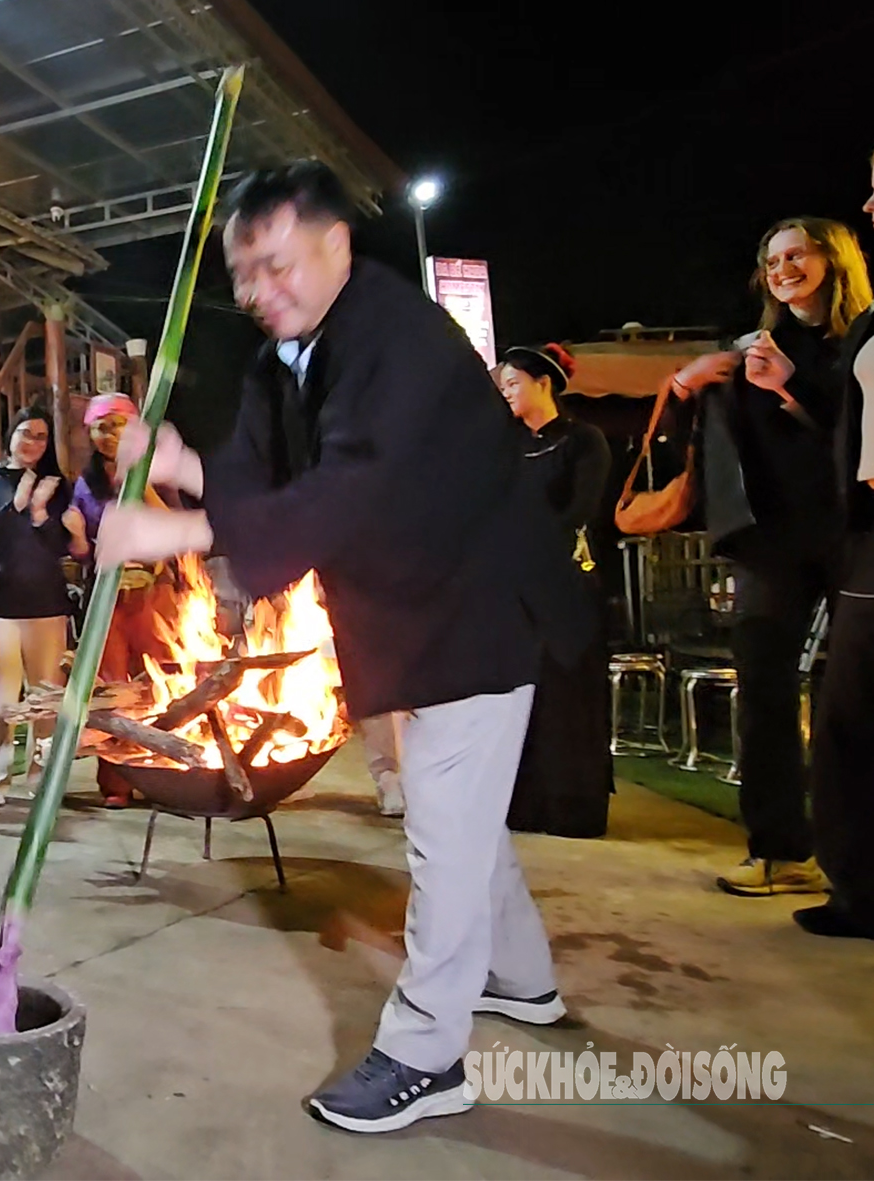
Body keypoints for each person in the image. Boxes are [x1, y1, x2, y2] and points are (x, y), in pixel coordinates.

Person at [95, 163, 590, 1134]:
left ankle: (424, 1051)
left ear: (333, 244)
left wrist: (179, 531)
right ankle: (521, 978)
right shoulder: (289, 346)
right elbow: (260, 463)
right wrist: (181, 465)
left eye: (274, 265)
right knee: (462, 817)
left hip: (479, 605)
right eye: (242, 273)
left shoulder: (395, 337)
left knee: (441, 833)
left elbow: (344, 487)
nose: (257, 291)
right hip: (419, 613)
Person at [668, 217, 871, 897]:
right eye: (772, 260)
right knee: (763, 690)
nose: (782, 269)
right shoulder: (754, 346)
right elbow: (716, 446)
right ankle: (782, 851)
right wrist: (689, 386)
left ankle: (856, 861)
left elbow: (855, 435)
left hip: (850, 536)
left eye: (796, 255)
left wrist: (793, 385)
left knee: (852, 697)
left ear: (833, 259)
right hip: (770, 541)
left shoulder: (862, 340)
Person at [497, 343, 614, 838]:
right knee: (522, 693)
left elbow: (580, 509)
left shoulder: (584, 441)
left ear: (544, 384)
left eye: (513, 383)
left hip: (567, 585)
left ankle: (573, 806)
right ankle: (524, 804)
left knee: (569, 693)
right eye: (502, 386)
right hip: (514, 590)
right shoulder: (504, 447)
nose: (505, 393)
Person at [802, 158, 874, 940]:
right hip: (859, 535)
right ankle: (856, 887)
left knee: (851, 719)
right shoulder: (864, 331)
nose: (867, 202)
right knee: (847, 720)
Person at [0, 407, 86, 806]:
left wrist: (38, 515)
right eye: (25, 433)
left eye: (41, 436)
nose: (33, 442)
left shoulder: (57, 485)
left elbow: (59, 546)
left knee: (46, 694)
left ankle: (41, 776)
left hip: (45, 602)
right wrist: (14, 506)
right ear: (10, 437)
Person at [71, 391, 174, 808]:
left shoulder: (160, 472)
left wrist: (140, 482)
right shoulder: (85, 483)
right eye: (101, 425)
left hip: (155, 592)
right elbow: (80, 549)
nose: (108, 434)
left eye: (118, 424)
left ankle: (168, 772)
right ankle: (116, 782)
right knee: (113, 685)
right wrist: (78, 537)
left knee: (162, 679)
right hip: (109, 593)